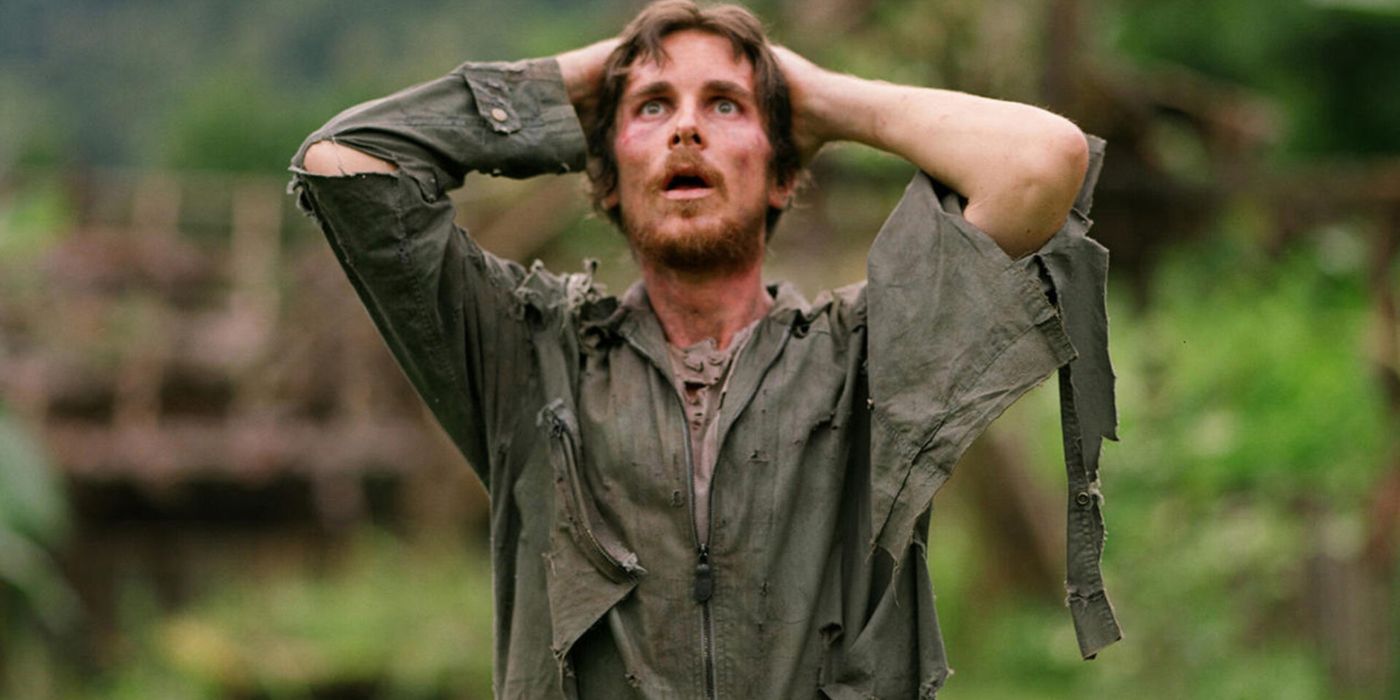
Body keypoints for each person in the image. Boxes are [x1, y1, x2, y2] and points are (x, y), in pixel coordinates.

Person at [289, 1, 1121, 697]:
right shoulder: (525, 353)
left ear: (784, 171)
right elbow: (346, 164)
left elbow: (1041, 162)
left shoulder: (871, 357)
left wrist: (823, 100)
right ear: (606, 174)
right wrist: (581, 79)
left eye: (727, 105)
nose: (686, 127)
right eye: (651, 107)